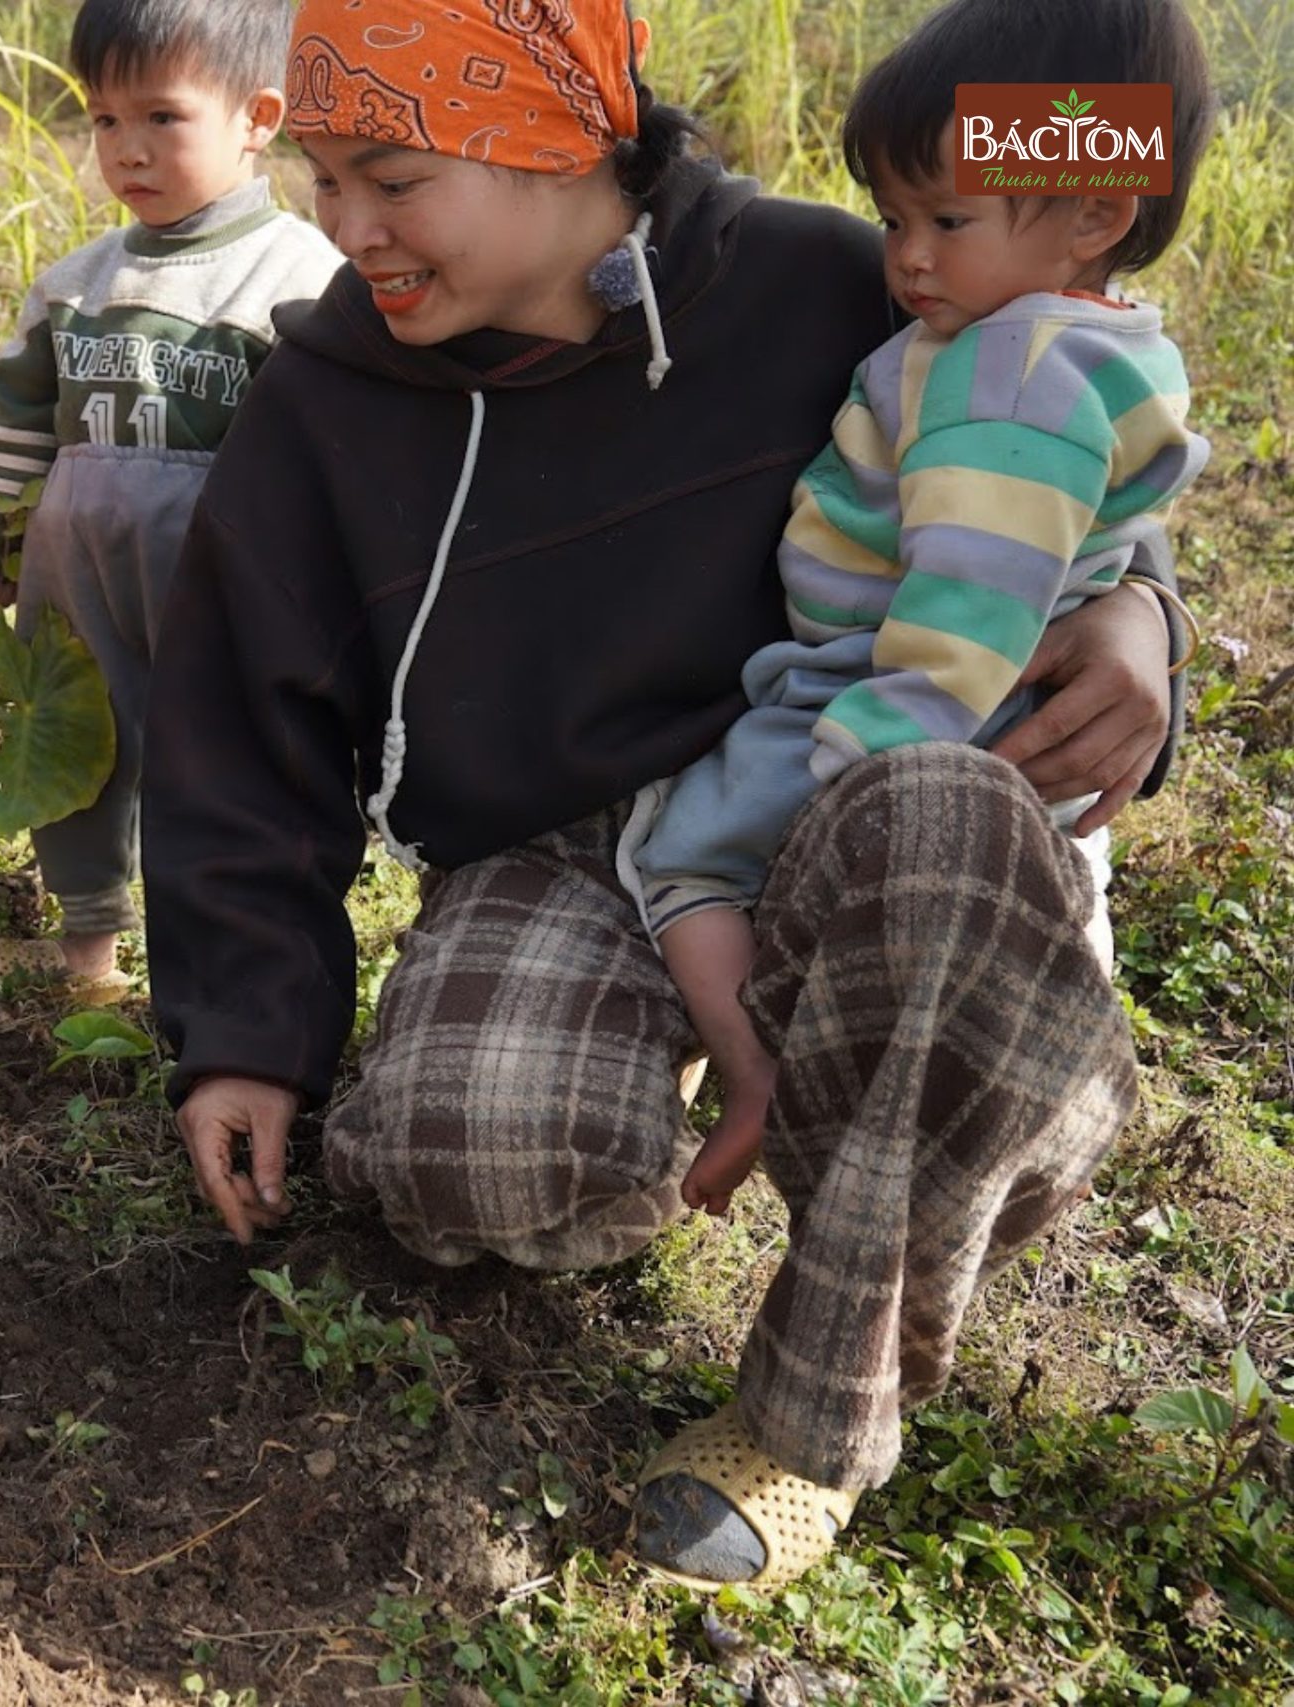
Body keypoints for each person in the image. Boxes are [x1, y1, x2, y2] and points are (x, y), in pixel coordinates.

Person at [141, 0, 1196, 1591]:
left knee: (939, 822)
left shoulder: (832, 283)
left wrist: (1146, 622)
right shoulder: (329, 400)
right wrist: (245, 1027)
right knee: (466, 1150)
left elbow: (1054, 448)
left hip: (848, 803)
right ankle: (719, 1081)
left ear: (557, 137)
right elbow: (239, 721)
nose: (342, 227)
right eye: (319, 175)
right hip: (579, 848)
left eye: (392, 176)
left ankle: (811, 1416)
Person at [641, 0, 1213, 1222]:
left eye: (944, 219)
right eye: (895, 218)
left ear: (1097, 211)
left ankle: (750, 1080)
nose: (902, 257)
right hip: (985, 711)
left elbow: (968, 610)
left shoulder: (1002, 374)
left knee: (680, 857)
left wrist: (857, 772)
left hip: (892, 696)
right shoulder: (1082, 342)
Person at [0, 0, 339, 988]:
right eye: (104, 120)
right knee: (78, 739)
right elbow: (19, 419)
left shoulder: (296, 279)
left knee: (217, 759)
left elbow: (333, 450)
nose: (128, 149)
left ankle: (214, 959)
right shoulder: (74, 284)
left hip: (220, 583)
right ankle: (88, 952)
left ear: (256, 120)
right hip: (75, 572)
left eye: (162, 118)